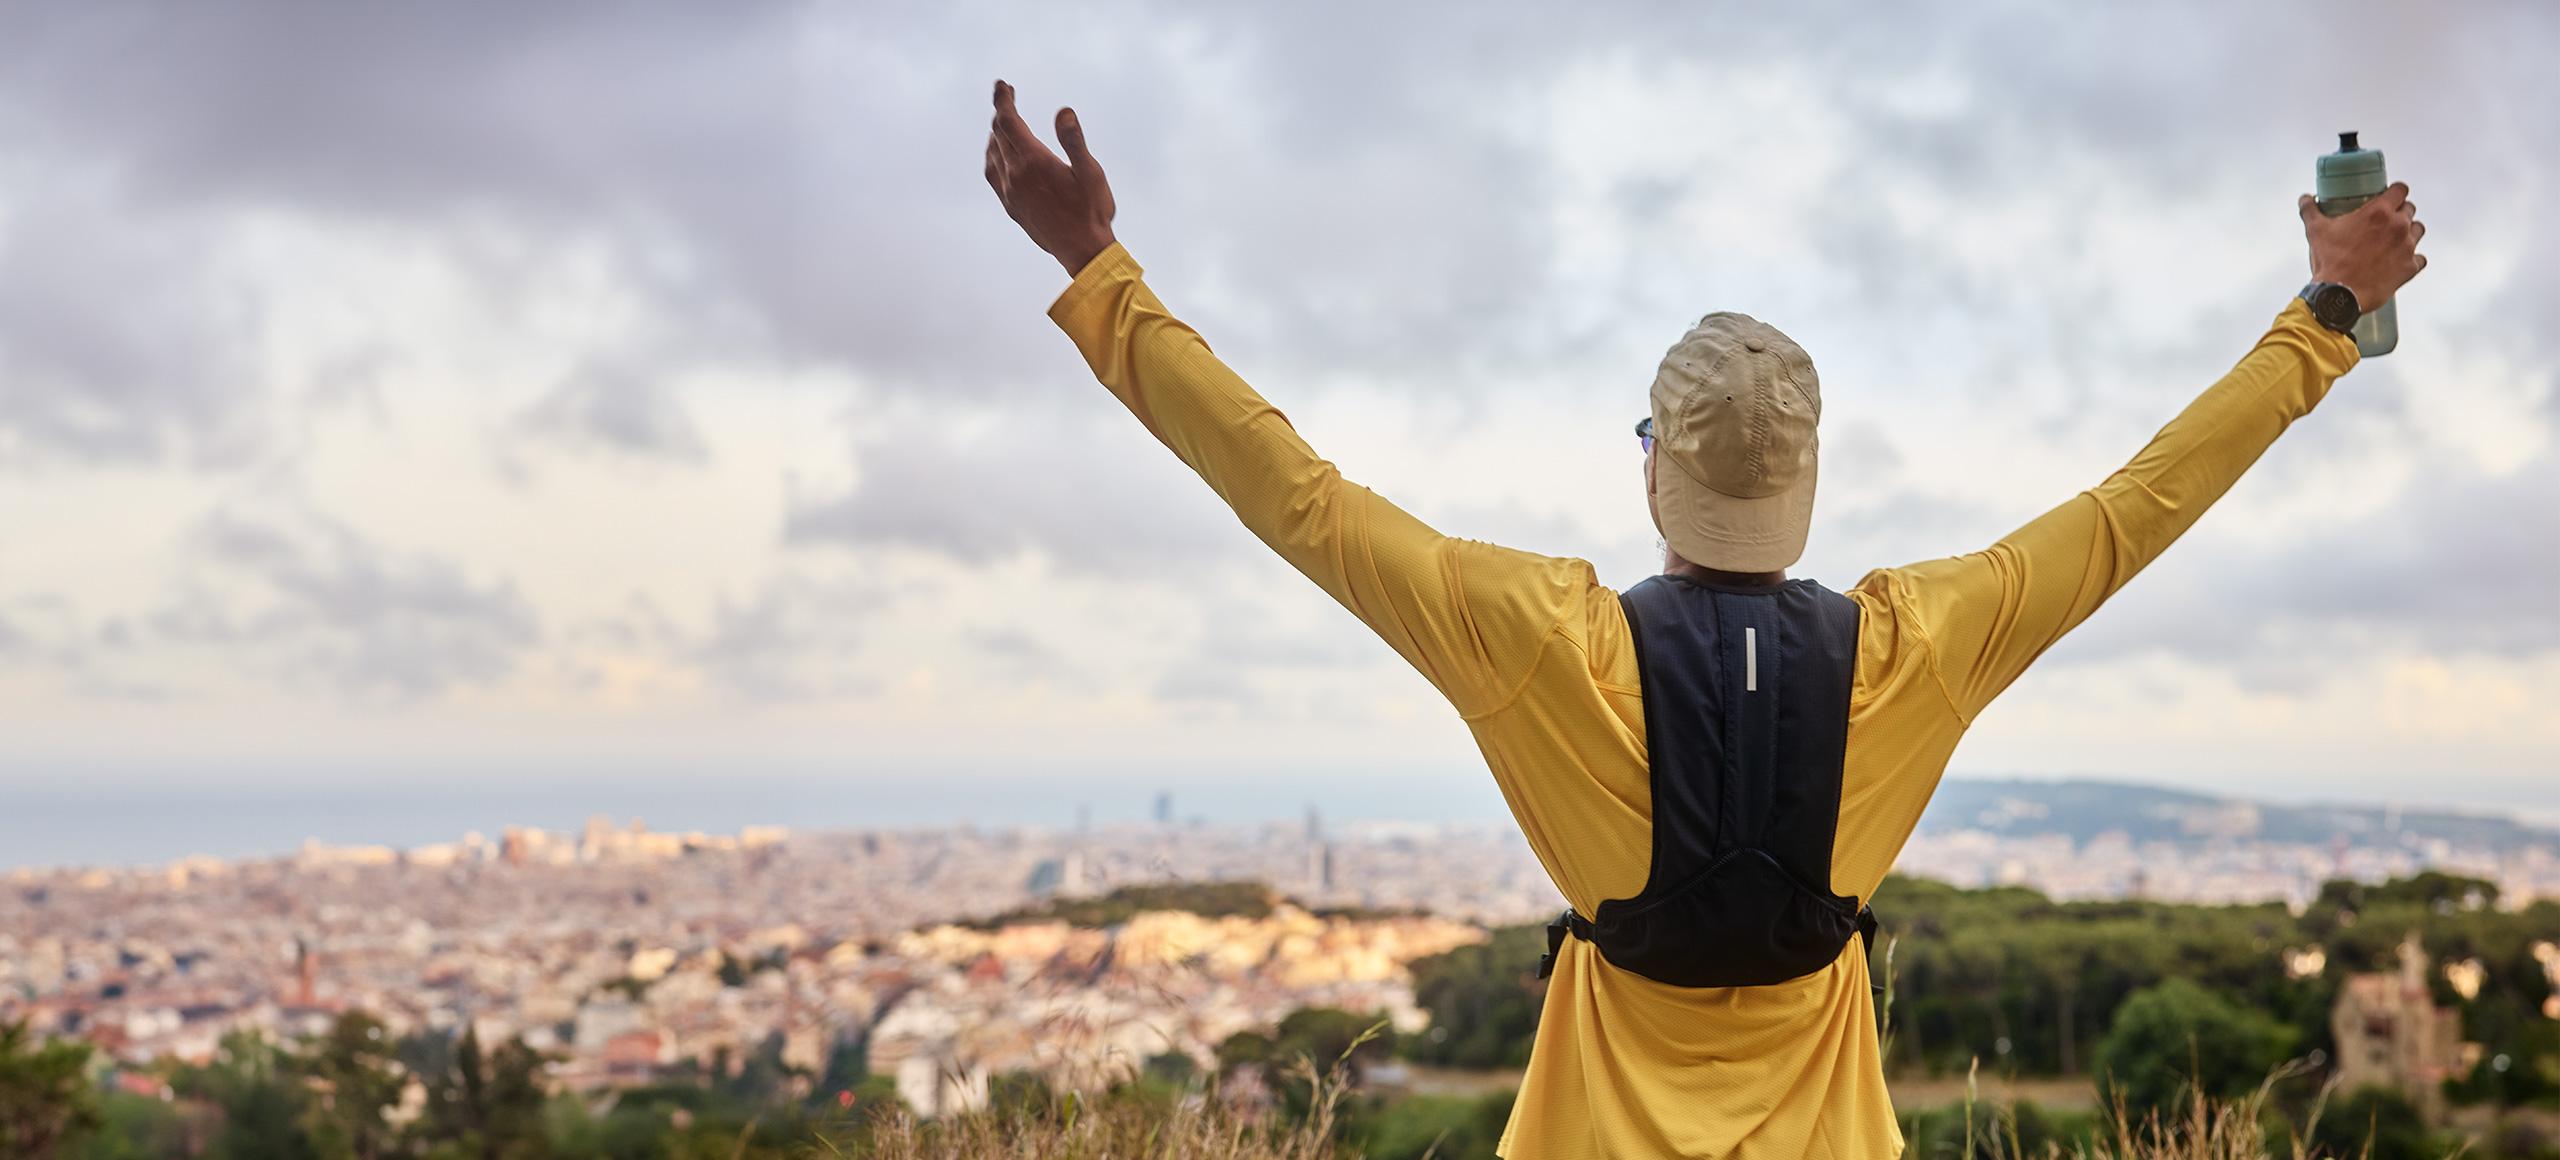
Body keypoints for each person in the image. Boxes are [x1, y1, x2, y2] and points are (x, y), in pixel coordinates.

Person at [980, 78, 2427, 1159]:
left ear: (1654, 466)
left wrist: (1098, 272)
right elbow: (2139, 507)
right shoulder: (1913, 647)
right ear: (1806, 478)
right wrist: (2326, 313)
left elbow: (1294, 493)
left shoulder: (1540, 640)